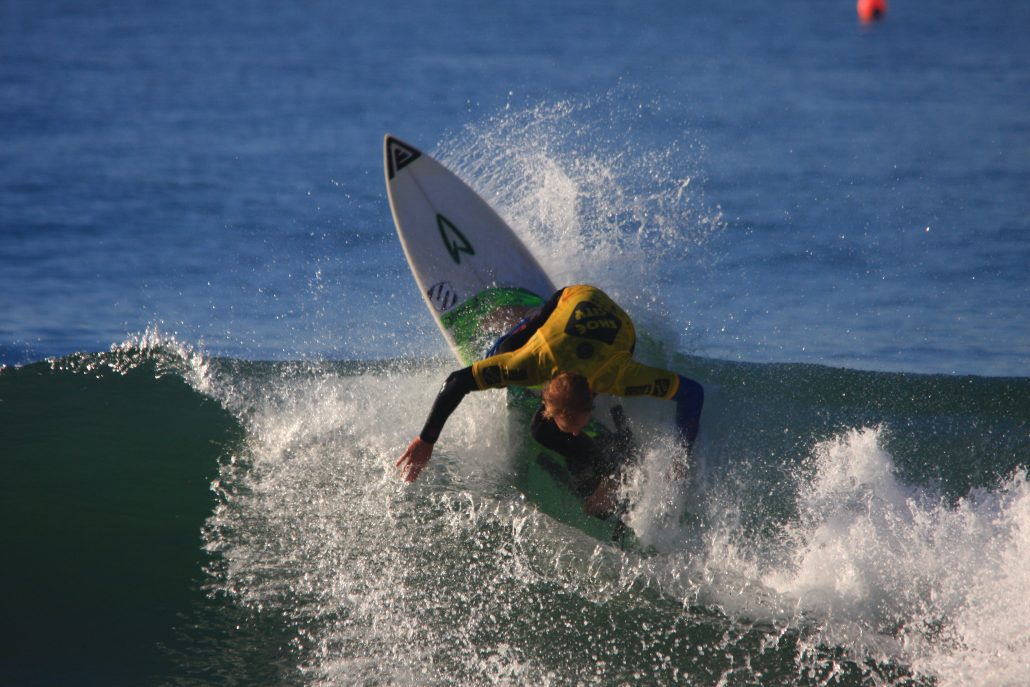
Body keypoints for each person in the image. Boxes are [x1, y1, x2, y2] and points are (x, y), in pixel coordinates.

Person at [395, 285, 704, 492]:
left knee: (546, 429)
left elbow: (693, 392)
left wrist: (681, 456)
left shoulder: (619, 376)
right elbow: (457, 381)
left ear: (592, 400)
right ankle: (516, 318)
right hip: (570, 302)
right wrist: (426, 440)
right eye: (568, 426)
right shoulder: (530, 362)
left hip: (613, 320)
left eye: (573, 425)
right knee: (500, 350)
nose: (571, 432)